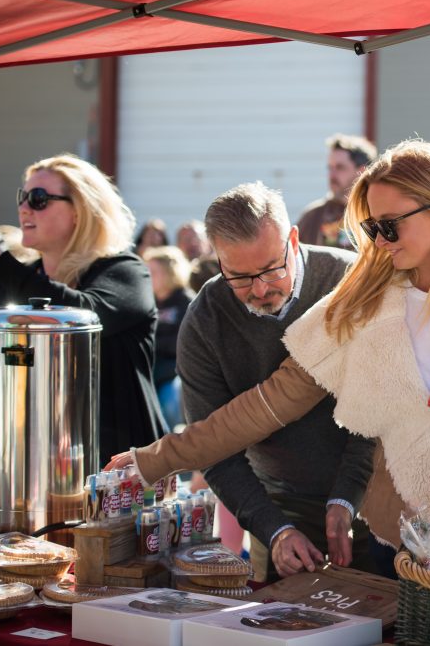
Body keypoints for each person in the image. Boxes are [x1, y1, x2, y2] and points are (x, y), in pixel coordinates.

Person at [107, 141, 430, 562]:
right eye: (371, 229)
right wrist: (153, 459)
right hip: (402, 544)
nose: (378, 243)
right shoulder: (363, 298)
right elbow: (267, 405)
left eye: (389, 226)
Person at [160, 182, 376, 581]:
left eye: (272, 269)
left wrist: (347, 494)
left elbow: (377, 406)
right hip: (277, 497)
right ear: (217, 258)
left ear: (293, 238)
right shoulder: (205, 320)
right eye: (239, 277)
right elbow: (213, 444)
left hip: (379, 492)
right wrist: (273, 528)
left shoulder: (350, 281)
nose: (260, 290)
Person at [0, 154, 162, 458]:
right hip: (29, 467)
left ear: (81, 211)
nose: (24, 207)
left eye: (38, 198)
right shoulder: (6, 286)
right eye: (23, 197)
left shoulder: (124, 271)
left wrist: (0, 265)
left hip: (118, 471)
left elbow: (83, 317)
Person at [143, 245, 195, 430]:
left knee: (169, 399)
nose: (148, 278)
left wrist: (154, 344)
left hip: (175, 371)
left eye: (153, 272)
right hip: (151, 369)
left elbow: (183, 342)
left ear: (170, 273)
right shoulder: (148, 302)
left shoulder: (187, 302)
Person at [297, 134, 377, 249]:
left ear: (361, 171)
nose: (332, 175)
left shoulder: (376, 214)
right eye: (330, 167)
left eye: (340, 167)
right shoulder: (313, 216)